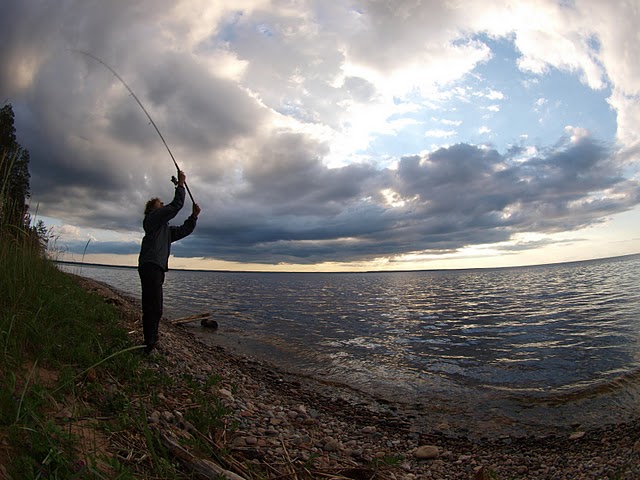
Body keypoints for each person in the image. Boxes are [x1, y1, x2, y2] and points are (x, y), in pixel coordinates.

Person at [138, 170, 200, 354]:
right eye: (160, 204)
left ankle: (151, 342)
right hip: (150, 266)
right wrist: (180, 185)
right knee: (153, 306)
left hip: (156, 268)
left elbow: (183, 231)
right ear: (152, 210)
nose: (162, 205)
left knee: (155, 307)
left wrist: (194, 216)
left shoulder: (163, 230)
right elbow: (174, 206)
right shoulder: (152, 220)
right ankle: (149, 344)